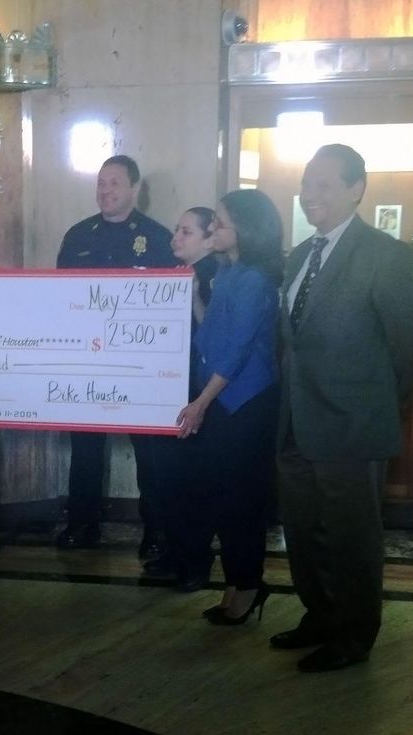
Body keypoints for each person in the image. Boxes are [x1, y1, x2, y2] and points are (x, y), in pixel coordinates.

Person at [272, 144, 413, 672]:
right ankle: (320, 616)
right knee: (303, 532)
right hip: (295, 425)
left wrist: (375, 404)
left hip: (353, 425)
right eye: (305, 183)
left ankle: (354, 636)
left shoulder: (386, 255)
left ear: (356, 188)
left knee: (351, 539)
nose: (308, 194)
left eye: (323, 184)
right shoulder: (300, 255)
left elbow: (409, 346)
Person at [55, 155, 179, 554]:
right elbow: (59, 298)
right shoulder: (78, 236)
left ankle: (156, 533)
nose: (105, 190)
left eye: (114, 183)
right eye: (101, 183)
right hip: (88, 359)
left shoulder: (158, 238)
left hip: (140, 363)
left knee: (150, 451)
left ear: (134, 188)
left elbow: (171, 306)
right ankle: (82, 524)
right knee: (86, 447)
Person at [176, 190, 283, 623]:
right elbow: (213, 336)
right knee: (224, 497)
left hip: (246, 404)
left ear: (244, 229)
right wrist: (195, 299)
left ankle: (249, 584)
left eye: (220, 222)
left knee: (242, 500)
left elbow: (236, 351)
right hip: (223, 400)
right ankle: (237, 583)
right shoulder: (229, 272)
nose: (213, 228)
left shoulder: (254, 279)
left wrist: (200, 403)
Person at [142, 207, 218, 590]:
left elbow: (216, 341)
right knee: (166, 480)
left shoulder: (215, 277)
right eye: (176, 229)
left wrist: (193, 299)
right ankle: (174, 552)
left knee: (190, 483)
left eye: (186, 231)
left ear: (209, 238)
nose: (176, 237)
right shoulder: (172, 273)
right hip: (163, 391)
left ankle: (195, 561)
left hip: (194, 395)